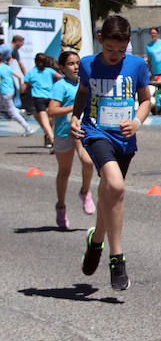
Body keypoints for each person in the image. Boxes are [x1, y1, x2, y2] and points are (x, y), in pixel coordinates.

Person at [70, 15, 151, 292]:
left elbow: (146, 100)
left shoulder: (137, 65)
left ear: (128, 44)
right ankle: (117, 258)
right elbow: (82, 93)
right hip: (95, 133)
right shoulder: (87, 64)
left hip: (124, 137)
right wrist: (74, 117)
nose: (115, 56)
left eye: (120, 50)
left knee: (110, 193)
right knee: (115, 185)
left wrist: (137, 121)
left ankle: (96, 240)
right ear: (100, 40)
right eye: (109, 50)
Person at [47, 50, 94, 229]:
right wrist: (73, 108)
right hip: (64, 133)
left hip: (82, 131)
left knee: (88, 162)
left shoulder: (87, 83)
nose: (75, 67)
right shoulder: (61, 86)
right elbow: (52, 111)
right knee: (64, 172)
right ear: (62, 67)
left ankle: (85, 192)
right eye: (71, 64)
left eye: (78, 63)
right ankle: (61, 206)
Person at [23, 53, 62, 148]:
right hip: (50, 97)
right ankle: (50, 138)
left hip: (38, 99)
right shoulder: (49, 71)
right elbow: (60, 77)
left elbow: (23, 87)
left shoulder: (32, 72)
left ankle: (52, 139)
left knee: (44, 121)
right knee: (51, 120)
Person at [0, 52, 34, 134]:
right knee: (4, 108)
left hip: (4, 92)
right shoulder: (6, 67)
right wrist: (19, 87)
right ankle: (20, 111)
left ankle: (27, 127)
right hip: (10, 90)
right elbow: (18, 76)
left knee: (12, 112)